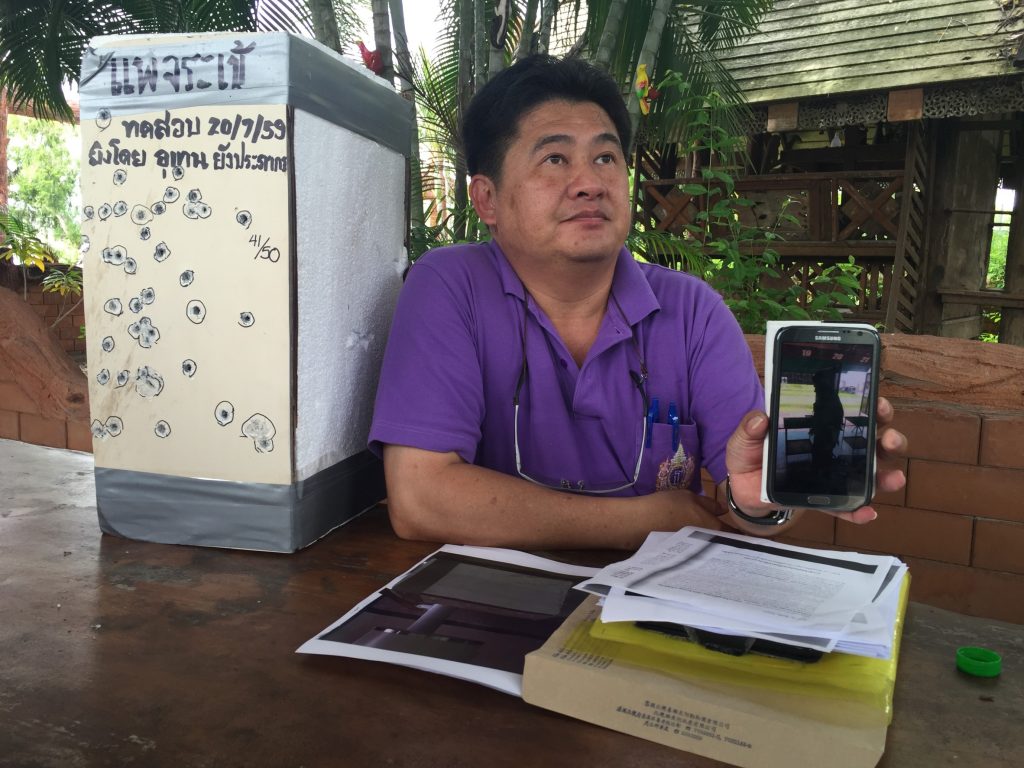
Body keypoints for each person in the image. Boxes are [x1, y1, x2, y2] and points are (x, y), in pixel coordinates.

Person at [369, 55, 906, 550]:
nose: (589, 183)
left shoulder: (693, 312)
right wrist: (648, 520)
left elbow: (752, 504)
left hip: (656, 612)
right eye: (555, 158)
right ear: (486, 198)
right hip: (490, 608)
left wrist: (760, 500)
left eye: (605, 157)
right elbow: (420, 499)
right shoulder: (450, 285)